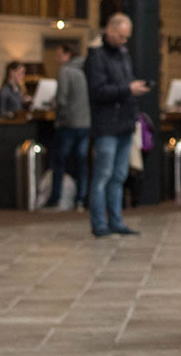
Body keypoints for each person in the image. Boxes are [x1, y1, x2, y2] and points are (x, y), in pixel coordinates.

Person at [84, 13, 149, 236]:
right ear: (110, 30)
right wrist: (127, 89)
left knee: (119, 176)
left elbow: (124, 83)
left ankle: (116, 221)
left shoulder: (123, 54)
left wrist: (133, 90)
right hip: (106, 127)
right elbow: (98, 91)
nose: (123, 41)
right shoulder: (96, 56)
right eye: (120, 36)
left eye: (126, 37)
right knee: (102, 175)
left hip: (124, 124)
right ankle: (99, 224)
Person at [45, 44, 91, 210]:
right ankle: (81, 199)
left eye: (59, 55)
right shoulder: (87, 70)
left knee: (59, 161)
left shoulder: (65, 72)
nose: (58, 59)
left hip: (68, 124)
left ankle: (56, 198)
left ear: (68, 54)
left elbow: (62, 100)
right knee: (81, 162)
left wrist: (59, 117)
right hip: (85, 123)